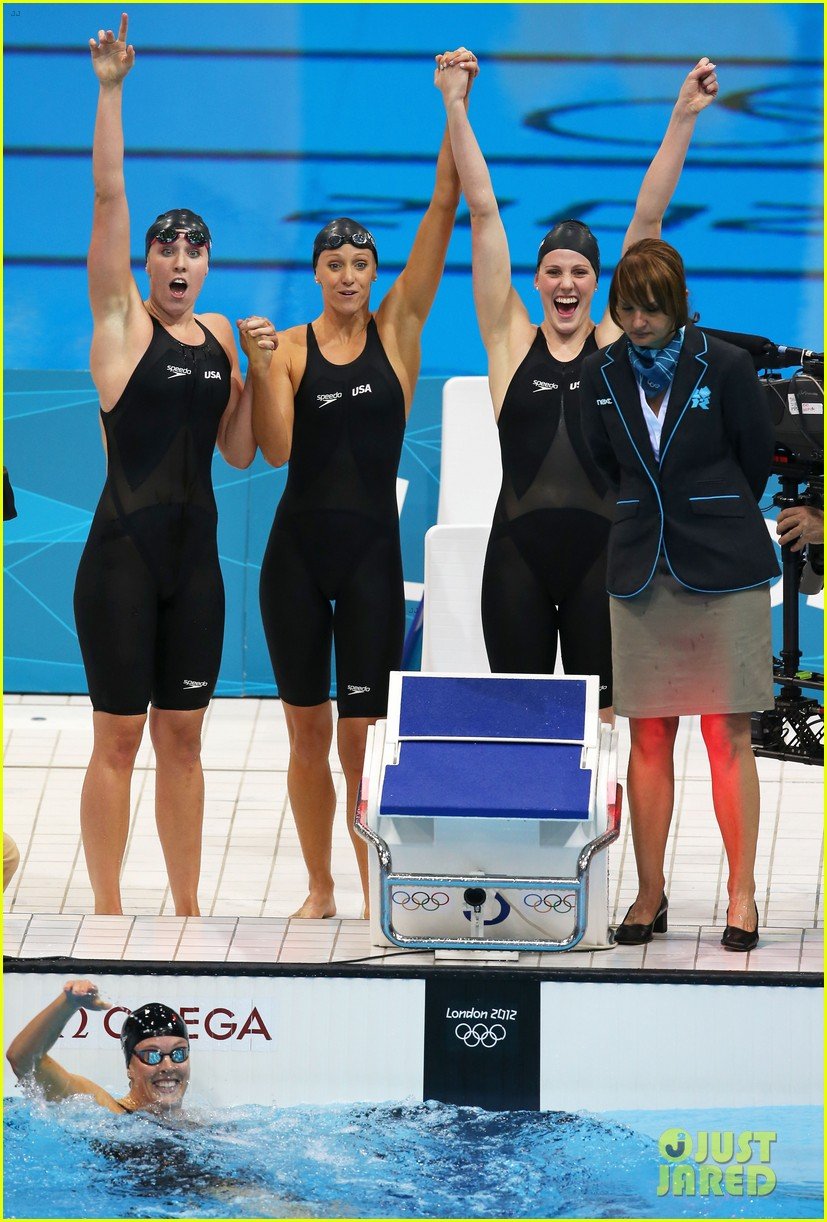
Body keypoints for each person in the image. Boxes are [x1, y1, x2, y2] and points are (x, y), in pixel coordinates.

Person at [246, 51, 478, 919]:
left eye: (361, 263)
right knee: (306, 732)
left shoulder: (399, 330)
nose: (349, 275)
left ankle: (378, 874)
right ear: (315, 273)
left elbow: (443, 210)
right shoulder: (293, 348)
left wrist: (451, 105)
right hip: (296, 558)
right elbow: (273, 451)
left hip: (373, 560)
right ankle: (318, 885)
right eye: (334, 264)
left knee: (363, 737)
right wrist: (261, 366)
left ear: (374, 272)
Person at [435, 56, 719, 722]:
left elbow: (646, 225)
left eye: (580, 272)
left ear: (598, 284)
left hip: (603, 560)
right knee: (522, 725)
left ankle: (597, 831)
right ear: (536, 281)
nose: (566, 282)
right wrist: (455, 105)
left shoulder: (614, 347)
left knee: (603, 725)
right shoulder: (509, 342)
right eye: (554, 271)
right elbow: (481, 215)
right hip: (515, 561)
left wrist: (681, 116)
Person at [73, 14, 274, 916]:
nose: (180, 259)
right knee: (117, 740)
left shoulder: (223, 334)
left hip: (195, 563)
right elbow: (108, 202)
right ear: (145, 262)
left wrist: (257, 376)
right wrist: (111, 91)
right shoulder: (121, 326)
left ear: (206, 261)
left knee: (184, 741)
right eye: (167, 247)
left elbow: (237, 453)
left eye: (194, 248)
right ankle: (109, 909)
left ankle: (187, 908)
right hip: (120, 556)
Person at [579, 238, 779, 951]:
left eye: (649, 310)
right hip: (640, 569)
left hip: (723, 567)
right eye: (625, 309)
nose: (636, 323)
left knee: (725, 733)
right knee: (647, 735)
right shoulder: (599, 375)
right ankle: (649, 890)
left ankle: (741, 894)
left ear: (677, 304)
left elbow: (753, 456)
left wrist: (709, 508)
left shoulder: (724, 366)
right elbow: (601, 464)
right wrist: (650, 513)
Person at [6, 979, 190, 1115]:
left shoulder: (198, 1123)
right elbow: (22, 1059)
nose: (168, 1066)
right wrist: (68, 1003)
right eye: (152, 1055)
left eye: (179, 1053)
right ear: (130, 1068)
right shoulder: (106, 1111)